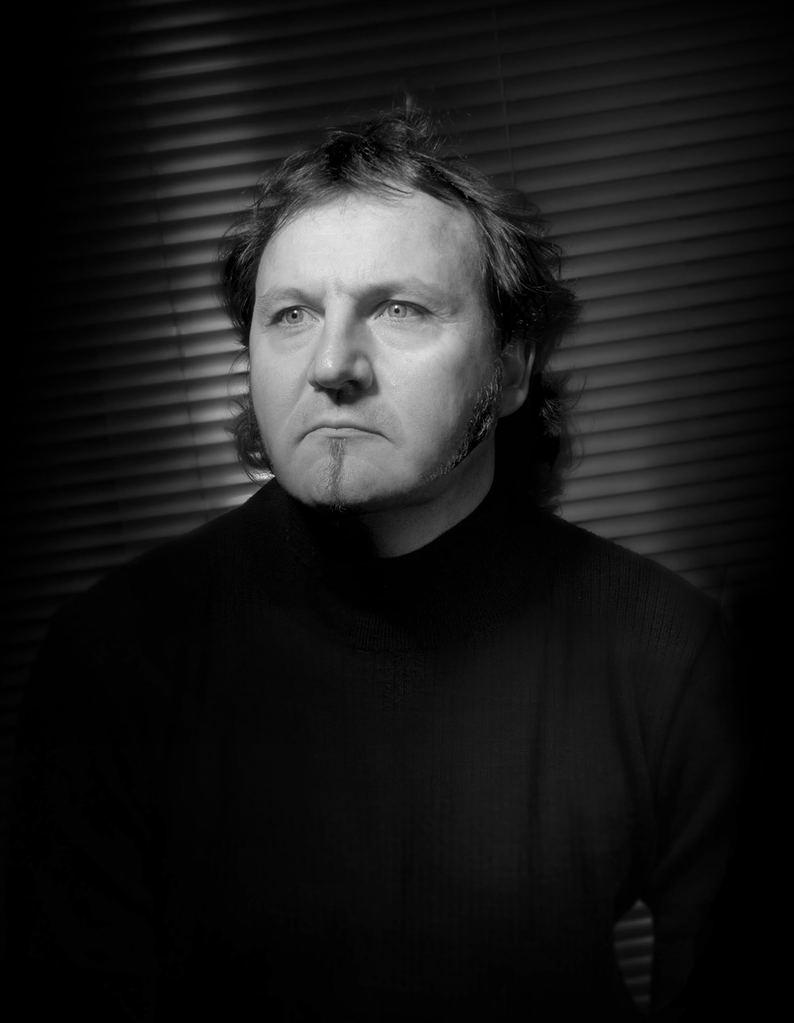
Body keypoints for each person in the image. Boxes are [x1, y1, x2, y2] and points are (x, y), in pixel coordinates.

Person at [7, 110, 745, 1020]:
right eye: (291, 315)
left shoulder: (663, 650)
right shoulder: (115, 659)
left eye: (400, 309)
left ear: (512, 368)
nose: (331, 365)